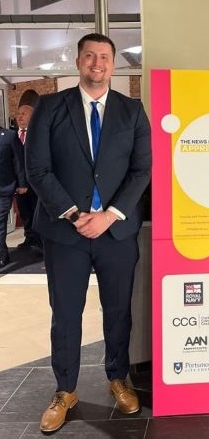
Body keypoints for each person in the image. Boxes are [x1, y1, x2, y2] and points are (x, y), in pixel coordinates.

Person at [26, 33, 152, 433]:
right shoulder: (50, 108)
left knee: (118, 310)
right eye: (90, 56)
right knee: (65, 313)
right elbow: (38, 168)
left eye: (104, 57)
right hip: (66, 232)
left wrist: (109, 215)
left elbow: (141, 170)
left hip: (116, 231)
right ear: (78, 61)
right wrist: (74, 213)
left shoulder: (132, 111)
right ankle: (65, 390)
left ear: (114, 65)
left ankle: (118, 377)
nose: (97, 63)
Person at [15, 92, 43, 251]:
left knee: (37, 212)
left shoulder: (40, 134)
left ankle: (40, 241)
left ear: (33, 116)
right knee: (24, 212)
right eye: (18, 114)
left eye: (24, 114)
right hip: (19, 185)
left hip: (36, 184)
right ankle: (29, 238)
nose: (20, 117)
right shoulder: (12, 135)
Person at [0, 127, 27, 268]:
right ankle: (3, 252)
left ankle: (1, 256)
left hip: (4, 188)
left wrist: (22, 184)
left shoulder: (9, 136)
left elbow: (18, 161)